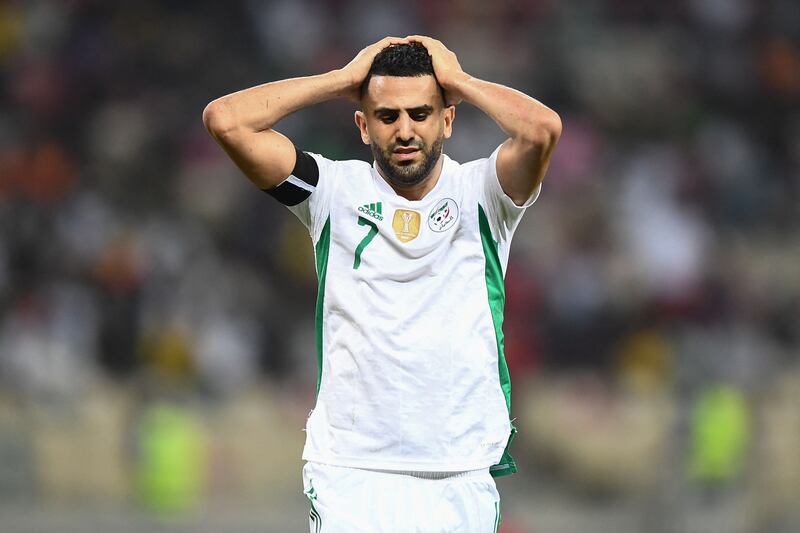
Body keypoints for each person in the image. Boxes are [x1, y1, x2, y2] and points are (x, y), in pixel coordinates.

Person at [203, 35, 560, 533]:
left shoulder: (485, 193)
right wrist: (341, 80)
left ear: (448, 119)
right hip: (353, 471)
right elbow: (226, 120)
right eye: (387, 116)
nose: (406, 130)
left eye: (421, 113)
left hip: (459, 469)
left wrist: (459, 81)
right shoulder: (330, 191)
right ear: (363, 125)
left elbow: (542, 130)